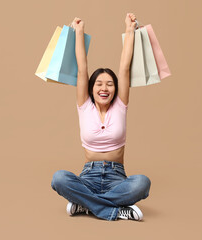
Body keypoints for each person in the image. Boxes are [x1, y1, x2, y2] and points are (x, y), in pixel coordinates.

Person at [51, 13, 151, 221]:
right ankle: (114, 210)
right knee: (59, 178)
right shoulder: (84, 106)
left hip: (117, 178)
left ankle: (87, 205)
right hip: (88, 177)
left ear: (115, 89)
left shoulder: (120, 105)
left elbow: (124, 68)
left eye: (109, 84)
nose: (104, 88)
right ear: (91, 88)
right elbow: (81, 69)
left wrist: (130, 29)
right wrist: (79, 33)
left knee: (142, 183)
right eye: (99, 84)